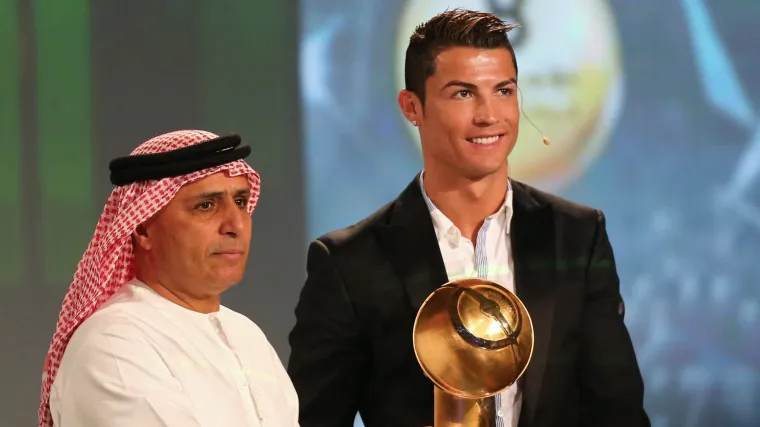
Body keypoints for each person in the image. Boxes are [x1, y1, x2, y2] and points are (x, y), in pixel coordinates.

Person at [287, 9, 650, 427]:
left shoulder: (576, 236)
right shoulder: (349, 263)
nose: (488, 115)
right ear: (412, 107)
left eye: (503, 91)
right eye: (462, 94)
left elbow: (618, 410)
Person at [38, 130, 299, 427]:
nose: (236, 224)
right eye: (206, 205)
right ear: (143, 229)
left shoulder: (247, 335)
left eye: (240, 202)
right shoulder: (113, 343)